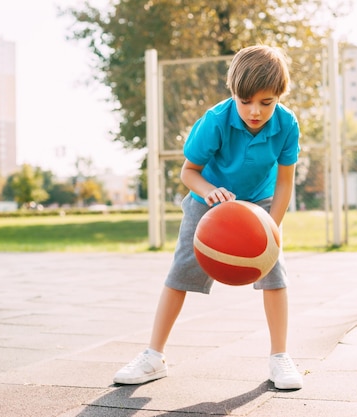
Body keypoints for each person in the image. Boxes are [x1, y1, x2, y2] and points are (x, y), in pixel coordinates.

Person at [113, 45, 303, 390]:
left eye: (266, 102)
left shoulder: (287, 124)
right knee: (180, 272)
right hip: (208, 200)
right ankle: (153, 356)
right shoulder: (215, 121)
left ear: (279, 96)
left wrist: (272, 228)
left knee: (275, 275)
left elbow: (285, 183)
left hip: (259, 202)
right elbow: (189, 172)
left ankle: (280, 358)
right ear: (233, 93)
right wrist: (210, 191)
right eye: (245, 101)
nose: (255, 111)